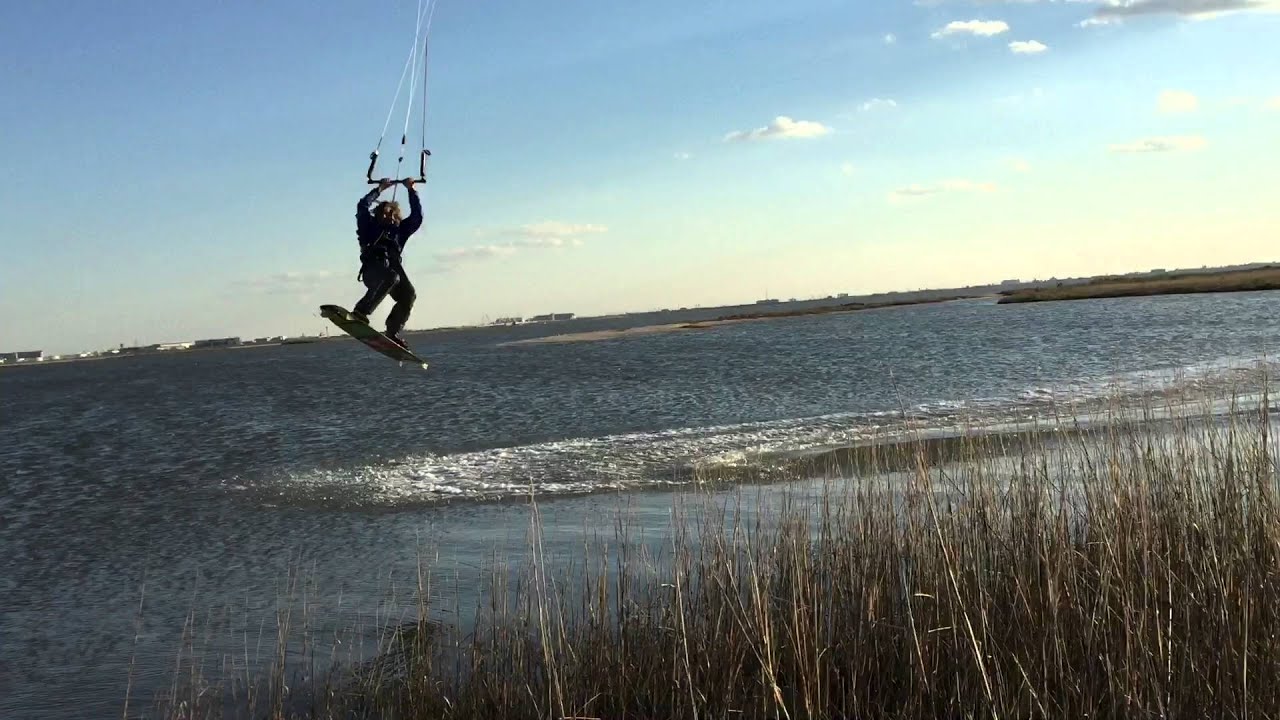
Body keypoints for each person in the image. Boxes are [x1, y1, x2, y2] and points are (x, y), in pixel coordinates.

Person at [349, 177, 423, 348]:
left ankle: (392, 331)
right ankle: (360, 311)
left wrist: (411, 190)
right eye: (384, 213)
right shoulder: (368, 225)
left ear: (397, 217)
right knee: (392, 276)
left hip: (393, 271)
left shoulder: (400, 231)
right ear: (377, 215)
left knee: (409, 294)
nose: (388, 216)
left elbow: (417, 217)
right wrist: (379, 189)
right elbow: (362, 206)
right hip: (373, 271)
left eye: (392, 213)